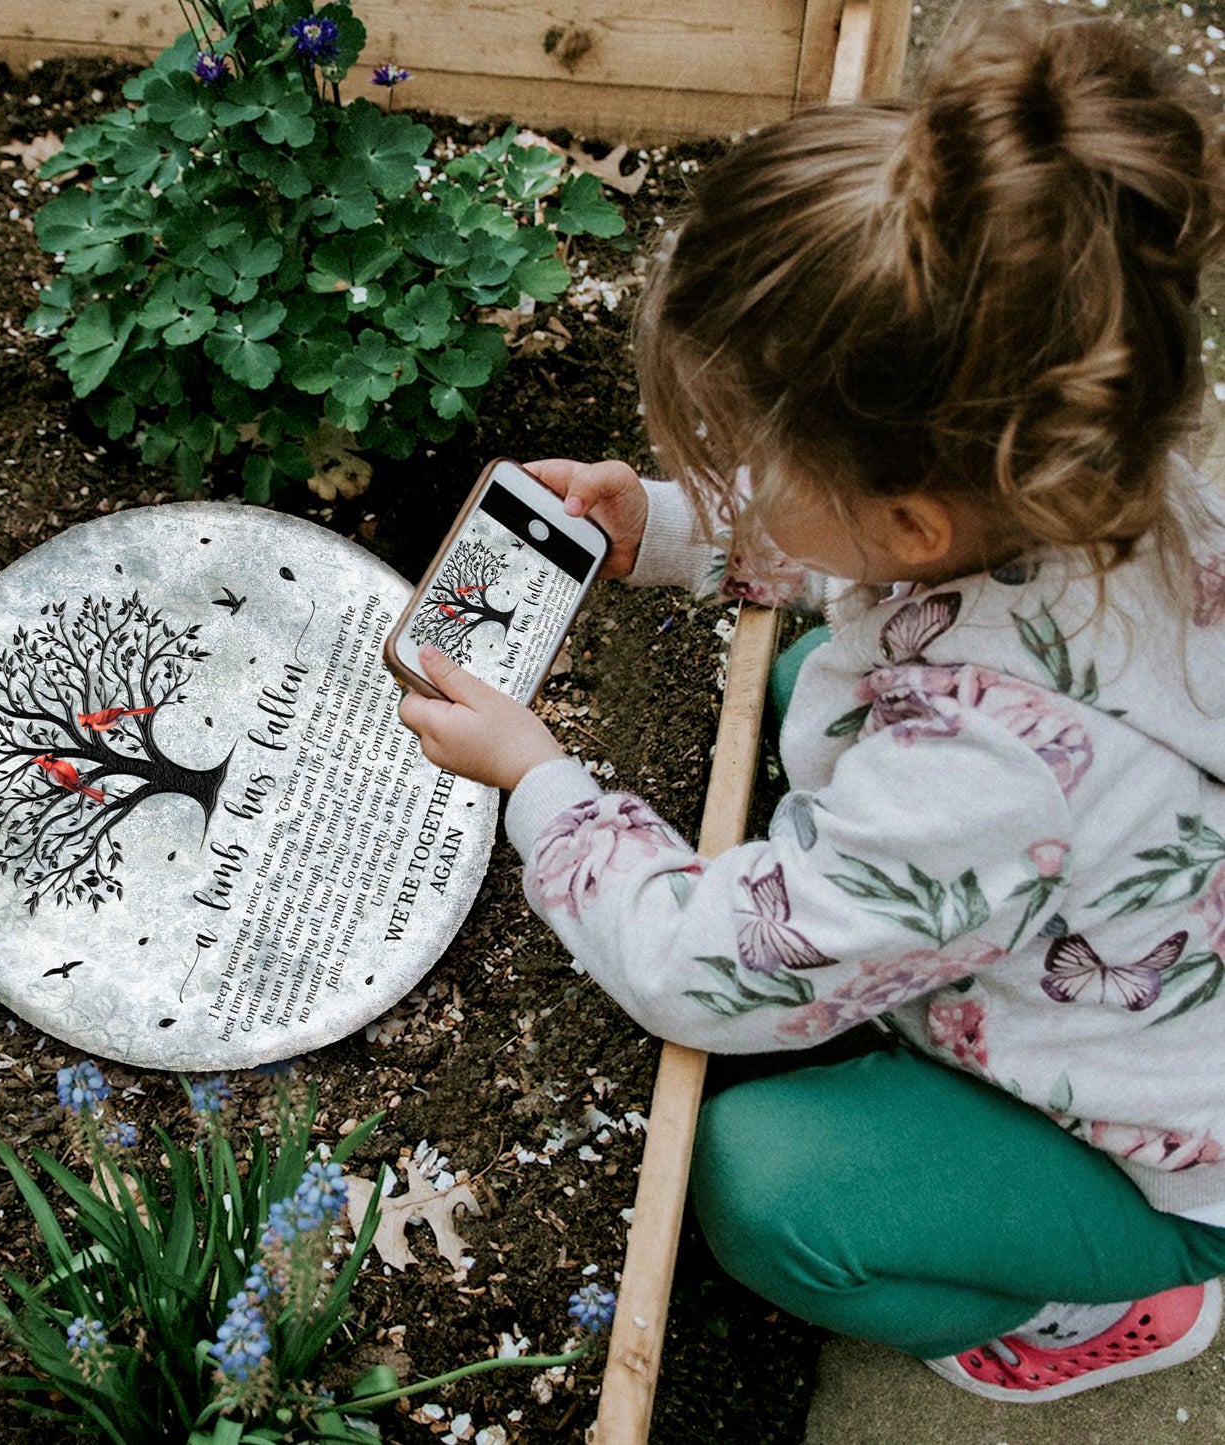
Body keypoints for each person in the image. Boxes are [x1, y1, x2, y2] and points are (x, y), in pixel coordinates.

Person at [397, 0, 1225, 1404]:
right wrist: (658, 529)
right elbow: (881, 559)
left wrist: (540, 783)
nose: (723, 473)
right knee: (802, 683)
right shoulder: (1122, 451)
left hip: (1160, 1142)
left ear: (907, 516)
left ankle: (1092, 1297)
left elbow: (695, 969)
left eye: (741, 457)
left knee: (762, 1185)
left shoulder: (974, 777)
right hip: (1111, 899)